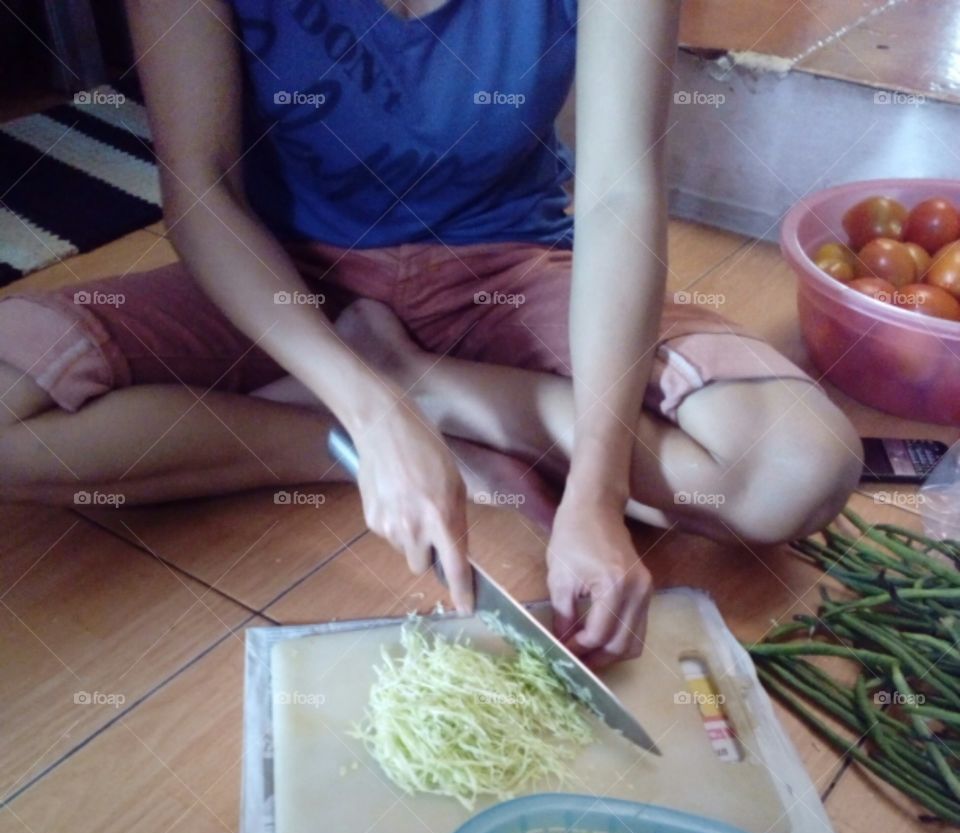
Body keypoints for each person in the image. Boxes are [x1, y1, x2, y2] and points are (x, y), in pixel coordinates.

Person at [0, 0, 862, 666]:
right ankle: (382, 435)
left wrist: (595, 493)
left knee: (795, 468)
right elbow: (201, 187)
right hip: (292, 284)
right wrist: (368, 412)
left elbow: (616, 198)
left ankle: (433, 393)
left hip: (510, 270)